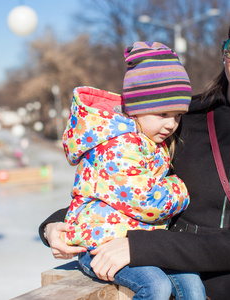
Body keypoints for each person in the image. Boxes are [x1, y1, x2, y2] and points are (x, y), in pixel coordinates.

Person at [40, 5, 230, 300]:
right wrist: (53, 226)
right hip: (165, 277)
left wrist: (138, 247)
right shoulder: (179, 116)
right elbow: (121, 181)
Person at [46, 41, 206, 299]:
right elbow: (146, 200)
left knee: (191, 284)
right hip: (99, 243)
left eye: (177, 115)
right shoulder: (120, 145)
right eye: (163, 113)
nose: (171, 124)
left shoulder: (148, 139)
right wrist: (179, 188)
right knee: (156, 286)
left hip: (135, 240)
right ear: (136, 109)